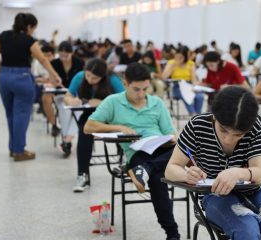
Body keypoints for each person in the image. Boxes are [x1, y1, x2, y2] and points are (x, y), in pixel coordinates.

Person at [165, 86, 261, 239]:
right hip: (215, 194)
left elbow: (258, 175)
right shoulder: (197, 125)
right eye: (223, 130)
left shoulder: (256, 125)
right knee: (247, 231)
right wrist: (187, 175)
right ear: (214, 117)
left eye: (238, 134)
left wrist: (237, 172)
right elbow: (171, 169)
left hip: (257, 189)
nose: (228, 139)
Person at [84, 63, 181, 240]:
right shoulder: (113, 102)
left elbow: (170, 132)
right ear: (125, 83)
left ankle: (147, 170)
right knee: (158, 180)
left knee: (186, 149)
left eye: (145, 89)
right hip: (137, 154)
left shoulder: (157, 103)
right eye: (136, 89)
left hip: (162, 150)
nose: (141, 94)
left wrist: (171, 139)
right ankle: (172, 234)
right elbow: (88, 127)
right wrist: (118, 127)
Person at [0, 12, 61, 161]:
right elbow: (42, 59)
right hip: (22, 79)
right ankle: (19, 151)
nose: (33, 31)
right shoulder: (29, 40)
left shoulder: (2, 35)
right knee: (21, 115)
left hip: (5, 77)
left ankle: (13, 148)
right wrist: (54, 75)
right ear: (29, 26)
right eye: (33, 28)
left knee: (10, 114)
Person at [64, 58, 124, 192]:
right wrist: (71, 100)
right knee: (85, 130)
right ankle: (82, 174)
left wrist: (103, 103)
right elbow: (67, 96)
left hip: (112, 115)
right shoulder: (79, 77)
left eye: (95, 78)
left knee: (123, 128)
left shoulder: (113, 80)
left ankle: (126, 161)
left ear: (103, 77)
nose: (90, 79)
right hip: (90, 114)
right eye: (88, 75)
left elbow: (125, 101)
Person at [49, 41, 85, 157]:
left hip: (76, 95)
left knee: (79, 112)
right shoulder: (54, 63)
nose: (63, 57)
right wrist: (55, 83)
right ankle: (67, 141)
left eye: (66, 55)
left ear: (72, 53)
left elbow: (83, 82)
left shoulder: (79, 63)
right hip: (60, 95)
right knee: (65, 110)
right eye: (61, 55)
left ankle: (66, 140)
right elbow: (52, 81)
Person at [162, 47, 204, 116]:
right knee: (186, 96)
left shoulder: (191, 64)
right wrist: (172, 66)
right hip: (177, 86)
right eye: (176, 57)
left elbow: (193, 79)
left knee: (200, 97)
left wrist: (195, 87)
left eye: (180, 57)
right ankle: (194, 114)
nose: (178, 59)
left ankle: (197, 115)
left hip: (188, 85)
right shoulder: (171, 63)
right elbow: (164, 77)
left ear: (185, 57)